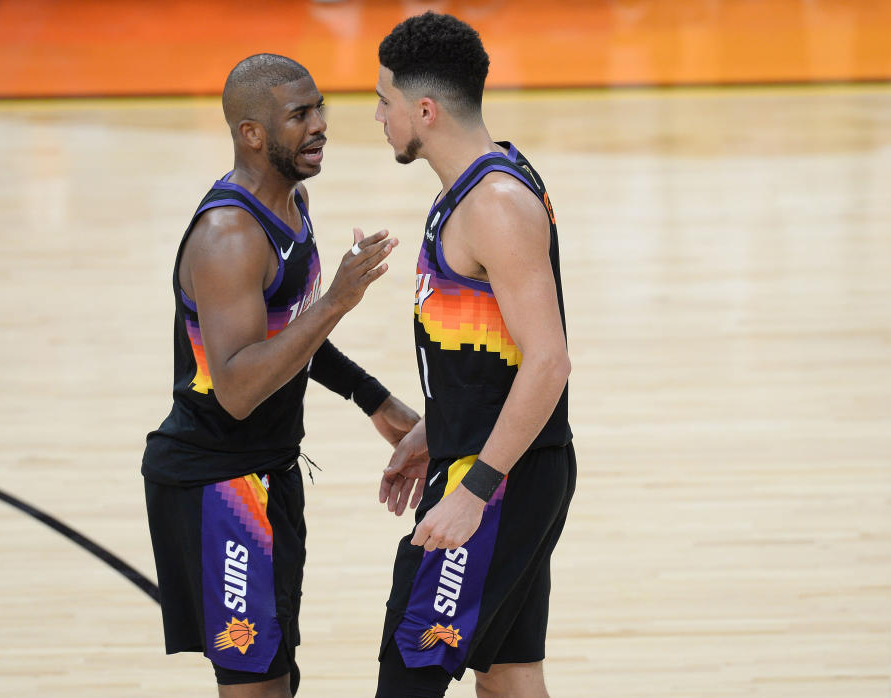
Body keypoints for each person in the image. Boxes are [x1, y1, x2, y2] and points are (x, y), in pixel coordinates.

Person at [141, 54, 419, 698]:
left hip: (271, 471)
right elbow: (238, 388)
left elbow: (290, 335)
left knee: (280, 679)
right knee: (254, 688)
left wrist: (377, 402)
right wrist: (335, 302)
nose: (320, 124)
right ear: (252, 133)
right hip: (217, 484)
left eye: (319, 107)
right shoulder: (229, 236)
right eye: (300, 115)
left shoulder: (293, 201)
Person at [373, 13, 576, 698]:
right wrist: (436, 429)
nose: (378, 116)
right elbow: (491, 352)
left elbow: (549, 360)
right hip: (490, 460)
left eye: (385, 101)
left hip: (499, 480)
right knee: (509, 678)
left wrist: (474, 493)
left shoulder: (494, 203)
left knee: (408, 677)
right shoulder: (463, 190)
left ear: (424, 110)